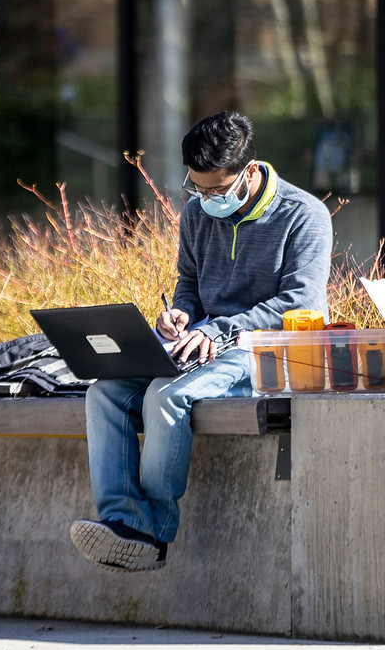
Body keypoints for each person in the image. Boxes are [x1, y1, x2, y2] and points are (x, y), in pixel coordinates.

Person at [69, 111, 333, 572]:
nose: (206, 199)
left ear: (250, 170)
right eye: (197, 188)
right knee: (105, 392)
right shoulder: (196, 214)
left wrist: (217, 329)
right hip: (200, 343)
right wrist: (179, 315)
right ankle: (122, 522)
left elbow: (298, 302)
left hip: (270, 349)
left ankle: (152, 534)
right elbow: (189, 284)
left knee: (166, 395)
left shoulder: (304, 215)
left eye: (217, 190)